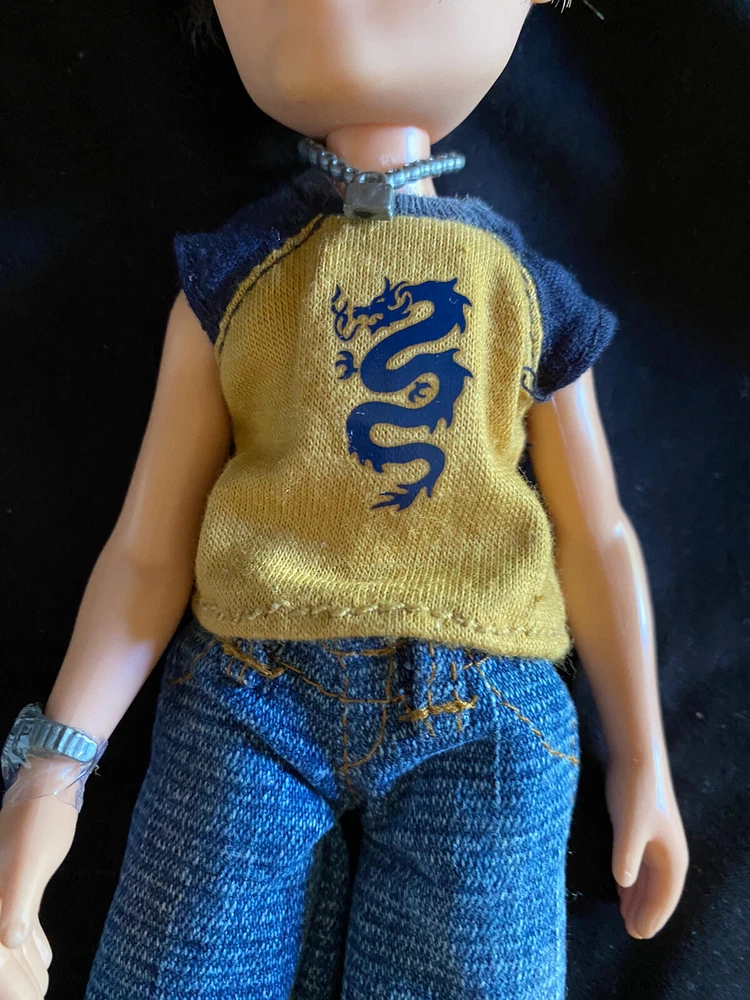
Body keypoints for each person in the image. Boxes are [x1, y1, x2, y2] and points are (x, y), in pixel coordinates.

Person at [0, 2, 689, 998]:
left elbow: (599, 534)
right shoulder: (232, 281)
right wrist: (54, 769)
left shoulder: (524, 292)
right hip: (249, 689)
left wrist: (643, 763)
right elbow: (147, 551)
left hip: (484, 702)